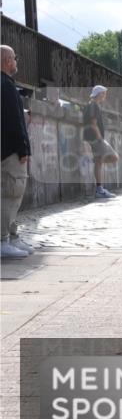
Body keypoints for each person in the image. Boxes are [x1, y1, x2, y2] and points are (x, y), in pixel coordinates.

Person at [1, 45, 32, 259]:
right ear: (6, 60)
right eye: (14, 58)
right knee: (10, 194)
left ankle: (11, 237)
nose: (16, 62)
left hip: (7, 149)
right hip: (10, 151)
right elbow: (12, 121)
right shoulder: (5, 85)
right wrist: (23, 148)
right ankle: (3, 240)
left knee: (12, 194)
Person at [83, 85, 119, 199]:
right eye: (104, 94)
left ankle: (99, 189)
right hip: (96, 138)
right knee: (114, 157)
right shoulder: (93, 105)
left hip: (92, 138)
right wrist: (100, 139)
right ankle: (99, 190)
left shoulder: (90, 105)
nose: (105, 96)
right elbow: (93, 123)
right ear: (99, 94)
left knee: (99, 162)